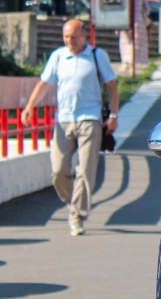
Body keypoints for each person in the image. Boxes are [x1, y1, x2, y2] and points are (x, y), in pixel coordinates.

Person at [20, 19, 118, 236]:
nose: (69, 41)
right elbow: (44, 83)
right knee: (58, 170)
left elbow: (112, 85)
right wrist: (29, 107)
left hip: (90, 118)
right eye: (66, 37)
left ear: (84, 36)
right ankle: (73, 201)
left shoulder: (96, 56)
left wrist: (113, 115)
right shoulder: (58, 56)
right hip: (63, 119)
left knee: (85, 170)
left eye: (73, 37)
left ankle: (77, 216)